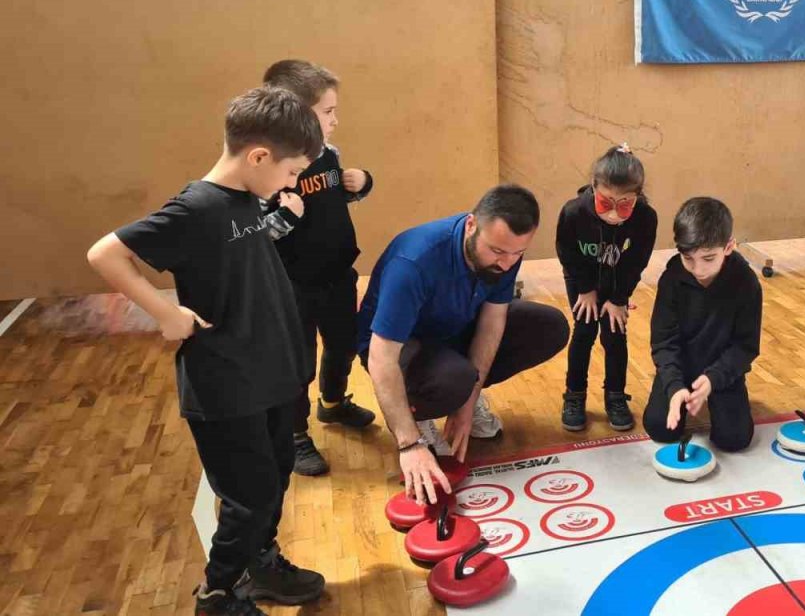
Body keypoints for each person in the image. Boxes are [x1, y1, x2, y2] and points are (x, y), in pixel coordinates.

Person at [86, 87, 327, 614]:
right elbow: (106, 254)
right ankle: (217, 594)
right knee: (250, 496)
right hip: (225, 386)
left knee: (276, 475)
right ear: (258, 156)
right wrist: (166, 313)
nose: (291, 183)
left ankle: (261, 563)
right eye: (289, 172)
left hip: (269, 375)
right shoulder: (196, 208)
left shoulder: (247, 199)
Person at [357, 185, 570, 504]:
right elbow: (380, 357)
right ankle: (418, 413)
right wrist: (409, 444)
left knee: (549, 326)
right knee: (453, 380)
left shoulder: (505, 255)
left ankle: (460, 392)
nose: (508, 263)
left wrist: (468, 403)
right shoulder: (414, 261)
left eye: (518, 253)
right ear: (471, 225)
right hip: (401, 347)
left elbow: (492, 322)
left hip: (451, 330)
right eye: (498, 251)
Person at [259, 59, 377, 476]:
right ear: (297, 114)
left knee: (344, 344)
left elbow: (331, 199)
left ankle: (333, 403)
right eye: (328, 112)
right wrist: (285, 218)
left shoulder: (328, 154)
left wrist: (361, 185)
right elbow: (255, 233)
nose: (335, 120)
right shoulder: (268, 166)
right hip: (294, 286)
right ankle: (294, 434)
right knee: (299, 364)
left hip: (337, 273)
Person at [642, 197, 761, 453]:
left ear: (729, 246)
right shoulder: (672, 279)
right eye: (688, 259)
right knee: (659, 428)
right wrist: (674, 386)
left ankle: (716, 397)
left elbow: (745, 346)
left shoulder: (746, 283)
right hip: (682, 367)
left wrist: (713, 379)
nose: (698, 269)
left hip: (722, 369)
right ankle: (679, 396)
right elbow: (663, 342)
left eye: (708, 258)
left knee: (734, 439)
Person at [555, 143, 658, 432]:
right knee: (584, 331)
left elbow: (637, 260)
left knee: (615, 334)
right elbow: (567, 252)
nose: (614, 214)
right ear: (593, 187)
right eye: (606, 202)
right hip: (581, 280)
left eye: (624, 204)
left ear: (638, 196)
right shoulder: (574, 212)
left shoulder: (646, 218)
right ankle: (574, 395)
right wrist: (585, 289)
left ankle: (615, 397)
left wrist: (619, 298)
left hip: (618, 283)